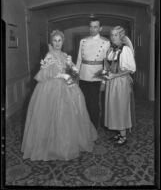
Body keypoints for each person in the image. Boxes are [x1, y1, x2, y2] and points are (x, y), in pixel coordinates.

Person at [21, 30, 97, 161]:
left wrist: (71, 67)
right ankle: (50, 146)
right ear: (51, 42)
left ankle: (66, 143)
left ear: (63, 42)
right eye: (55, 41)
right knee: (50, 116)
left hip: (67, 87)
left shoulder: (65, 55)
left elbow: (73, 73)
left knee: (68, 116)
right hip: (50, 89)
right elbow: (44, 74)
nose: (57, 43)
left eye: (59, 40)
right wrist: (62, 75)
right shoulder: (49, 55)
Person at [103, 26, 136, 145]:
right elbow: (109, 66)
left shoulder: (125, 49)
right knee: (114, 107)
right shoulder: (111, 49)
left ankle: (123, 136)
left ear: (121, 36)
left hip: (121, 82)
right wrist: (106, 74)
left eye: (116, 35)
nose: (113, 37)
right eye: (111, 35)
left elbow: (130, 69)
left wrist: (114, 76)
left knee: (121, 107)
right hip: (112, 83)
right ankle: (118, 133)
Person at [76, 18, 110, 129]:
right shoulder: (83, 41)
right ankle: (85, 127)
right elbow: (79, 60)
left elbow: (106, 64)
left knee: (94, 105)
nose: (92, 29)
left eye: (95, 27)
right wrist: (75, 76)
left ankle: (94, 128)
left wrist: (104, 82)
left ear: (100, 28)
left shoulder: (105, 42)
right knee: (83, 103)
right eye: (91, 26)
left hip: (96, 78)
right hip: (83, 76)